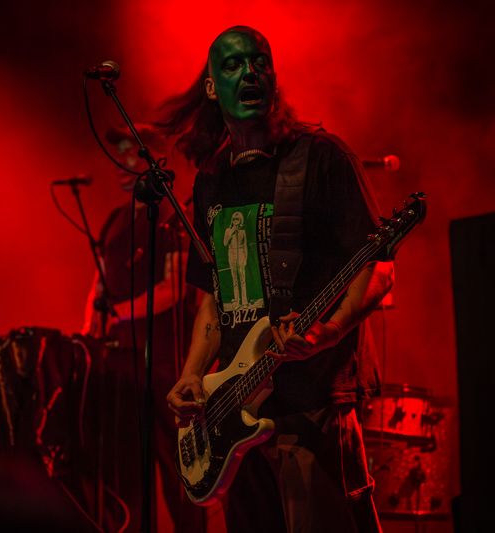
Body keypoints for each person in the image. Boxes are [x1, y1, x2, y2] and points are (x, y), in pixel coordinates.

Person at [160, 26, 393, 531]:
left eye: (259, 62)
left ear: (273, 77)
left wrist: (329, 331)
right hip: (235, 413)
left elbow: (378, 267)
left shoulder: (321, 157)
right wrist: (192, 374)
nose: (249, 72)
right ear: (211, 87)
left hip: (312, 404)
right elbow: (215, 300)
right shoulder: (211, 180)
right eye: (233, 64)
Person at [81, 125, 205, 532]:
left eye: (129, 152)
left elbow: (174, 286)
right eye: (116, 152)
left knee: (177, 464)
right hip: (120, 360)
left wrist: (119, 313)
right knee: (125, 467)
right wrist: (89, 327)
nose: (120, 162)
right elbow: (99, 280)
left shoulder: (173, 215)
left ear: (152, 157)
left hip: (165, 360)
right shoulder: (116, 219)